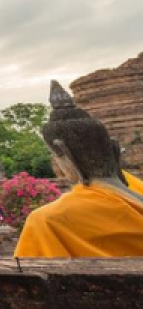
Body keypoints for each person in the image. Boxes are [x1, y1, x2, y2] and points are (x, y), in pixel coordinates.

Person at [15, 81, 143, 258]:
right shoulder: (136, 187)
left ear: (65, 153)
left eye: (56, 156)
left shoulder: (48, 220)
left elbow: (28, 270)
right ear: (113, 148)